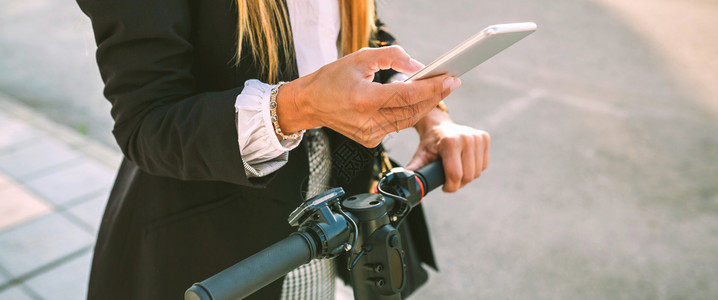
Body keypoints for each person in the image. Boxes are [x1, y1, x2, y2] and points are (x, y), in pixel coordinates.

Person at [76, 0, 490, 299]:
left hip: (332, 230)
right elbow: (149, 123)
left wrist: (432, 117)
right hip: (215, 253)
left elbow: (358, 32)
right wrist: (299, 105)